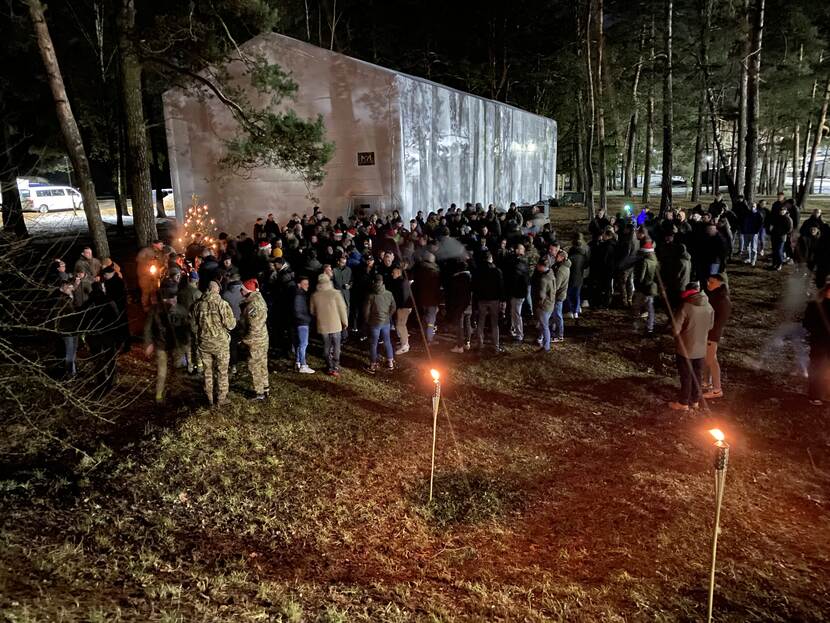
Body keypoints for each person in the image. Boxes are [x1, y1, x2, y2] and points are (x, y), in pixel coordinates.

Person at [669, 282, 714, 411]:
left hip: (685, 348)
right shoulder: (709, 306)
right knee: (697, 375)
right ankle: (695, 401)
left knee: (686, 376)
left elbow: (675, 330)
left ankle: (683, 403)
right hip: (701, 348)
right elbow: (710, 326)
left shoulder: (685, 306)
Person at [190, 281, 236, 405]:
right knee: (222, 371)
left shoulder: (197, 305)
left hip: (204, 343)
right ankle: (221, 398)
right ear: (217, 290)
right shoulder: (222, 304)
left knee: (207, 371)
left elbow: (193, 327)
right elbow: (231, 325)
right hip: (220, 344)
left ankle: (209, 398)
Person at [145, 286, 191, 403]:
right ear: (165, 299)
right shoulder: (156, 310)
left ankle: (173, 391)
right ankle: (159, 395)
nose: (174, 300)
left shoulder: (180, 310)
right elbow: (148, 328)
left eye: (175, 298)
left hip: (176, 346)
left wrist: (186, 342)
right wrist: (148, 343)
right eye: (172, 298)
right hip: (162, 345)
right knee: (162, 371)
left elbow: (187, 327)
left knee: (176, 369)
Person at [310, 273, 349, 376]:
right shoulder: (336, 293)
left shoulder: (315, 295)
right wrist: (345, 323)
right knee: (336, 346)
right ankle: (335, 366)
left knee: (326, 346)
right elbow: (342, 309)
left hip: (323, 326)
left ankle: (329, 366)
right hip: (336, 325)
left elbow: (312, 311)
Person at [703, 273, 732, 399]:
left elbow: (720, 322)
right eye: (708, 281)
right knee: (708, 359)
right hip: (708, 333)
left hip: (712, 335)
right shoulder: (714, 296)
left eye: (712, 282)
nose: (709, 284)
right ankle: (707, 382)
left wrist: (710, 333)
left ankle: (717, 389)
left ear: (720, 283)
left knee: (711, 361)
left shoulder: (722, 300)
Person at [240, 279, 270, 400]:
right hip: (263, 338)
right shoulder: (258, 300)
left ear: (247, 290)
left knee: (254, 365)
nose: (240, 291)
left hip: (256, 341)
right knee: (263, 363)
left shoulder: (253, 305)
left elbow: (254, 327)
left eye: (241, 289)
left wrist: (245, 340)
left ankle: (259, 393)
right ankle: (265, 387)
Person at [803, 278, 830, 405]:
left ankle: (824, 392)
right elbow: (807, 322)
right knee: (818, 367)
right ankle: (815, 395)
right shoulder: (815, 305)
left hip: (821, 340)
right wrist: (817, 331)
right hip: (820, 341)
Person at [363, 273, 396, 372]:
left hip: (374, 323)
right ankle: (390, 362)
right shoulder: (389, 293)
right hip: (386, 322)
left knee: (373, 343)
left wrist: (367, 320)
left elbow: (366, 311)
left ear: (374, 282)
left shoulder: (371, 296)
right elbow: (393, 307)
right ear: (382, 282)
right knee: (387, 341)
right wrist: (388, 315)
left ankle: (373, 364)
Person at [473, 252, 504, 352]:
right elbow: (500, 286)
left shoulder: (478, 271)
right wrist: (502, 299)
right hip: (494, 300)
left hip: (482, 299)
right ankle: (496, 346)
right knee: (494, 323)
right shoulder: (497, 271)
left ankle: (480, 345)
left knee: (481, 322)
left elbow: (475, 286)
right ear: (491, 259)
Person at [633, 240, 659, 335]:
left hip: (643, 288)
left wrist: (637, 283)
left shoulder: (644, 262)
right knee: (650, 308)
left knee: (637, 306)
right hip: (652, 287)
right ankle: (650, 327)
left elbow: (641, 277)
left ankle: (637, 326)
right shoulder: (655, 260)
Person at [447, 260, 473, 354]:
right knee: (468, 324)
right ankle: (467, 343)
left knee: (460, 327)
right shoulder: (471, 277)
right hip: (469, 304)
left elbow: (453, 294)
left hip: (460, 306)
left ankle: (459, 346)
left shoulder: (457, 278)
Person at [530, 259, 556, 352]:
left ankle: (546, 347)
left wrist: (538, 305)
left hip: (544, 306)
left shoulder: (543, 279)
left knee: (544, 326)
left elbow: (541, 295)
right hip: (551, 304)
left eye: (538, 265)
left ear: (542, 266)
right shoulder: (551, 274)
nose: (536, 267)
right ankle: (542, 341)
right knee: (543, 324)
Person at [387, 264, 414, 355]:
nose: (392, 274)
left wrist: (399, 308)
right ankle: (404, 343)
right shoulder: (401, 281)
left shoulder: (401, 283)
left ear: (398, 273)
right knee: (401, 325)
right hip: (404, 307)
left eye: (393, 272)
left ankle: (405, 346)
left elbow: (403, 297)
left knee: (400, 325)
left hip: (403, 308)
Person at [293, 276, 314, 373]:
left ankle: (298, 362)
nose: (307, 286)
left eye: (308, 284)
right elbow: (297, 312)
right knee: (303, 344)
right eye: (305, 284)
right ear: (299, 285)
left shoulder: (301, 295)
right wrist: (308, 319)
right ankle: (303, 365)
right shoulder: (299, 296)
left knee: (299, 344)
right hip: (302, 323)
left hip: (301, 322)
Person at [567, 234, 589, 320]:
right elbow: (586, 265)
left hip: (570, 277)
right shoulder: (584, 255)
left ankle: (571, 310)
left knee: (569, 294)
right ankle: (576, 310)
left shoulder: (570, 256)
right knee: (577, 294)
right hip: (579, 277)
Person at [137, 240, 164, 310]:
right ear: (155, 245)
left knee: (154, 291)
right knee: (146, 291)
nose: (162, 246)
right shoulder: (146, 251)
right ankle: (145, 307)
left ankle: (154, 307)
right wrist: (149, 261)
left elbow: (161, 262)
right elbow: (138, 259)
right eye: (160, 244)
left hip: (155, 276)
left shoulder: (160, 253)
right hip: (145, 276)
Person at [551, 250, 570, 342]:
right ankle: (554, 331)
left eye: (557, 256)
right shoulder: (564, 266)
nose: (555, 257)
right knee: (556, 315)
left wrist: (550, 293)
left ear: (562, 258)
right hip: (561, 294)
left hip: (558, 296)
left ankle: (559, 335)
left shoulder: (561, 270)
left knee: (558, 315)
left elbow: (556, 286)